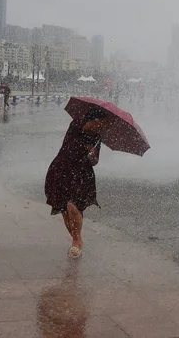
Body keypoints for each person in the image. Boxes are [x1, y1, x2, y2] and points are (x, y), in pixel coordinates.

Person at [44, 109, 109, 258]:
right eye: (101, 123)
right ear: (93, 120)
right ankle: (76, 238)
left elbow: (94, 162)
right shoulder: (76, 125)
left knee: (73, 206)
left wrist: (93, 154)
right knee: (65, 210)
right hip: (61, 169)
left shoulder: (97, 138)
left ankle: (77, 241)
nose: (102, 127)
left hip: (81, 174)